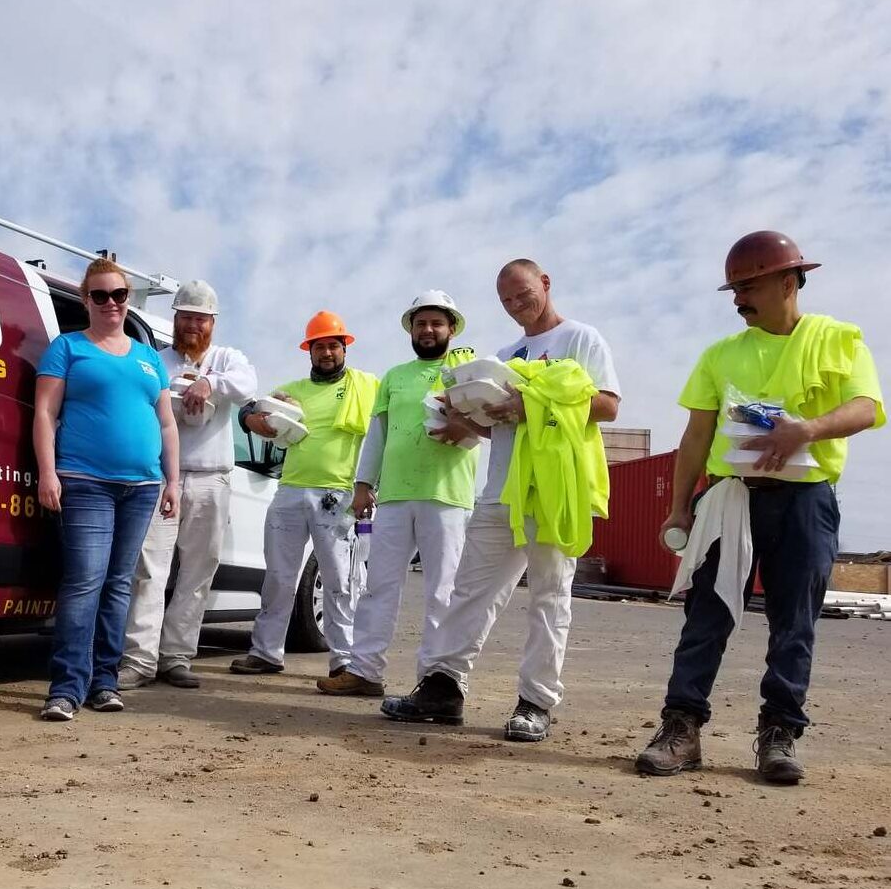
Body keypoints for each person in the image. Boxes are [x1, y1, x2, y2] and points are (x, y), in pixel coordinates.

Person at [636, 231, 883, 784]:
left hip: (806, 500)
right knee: (706, 616)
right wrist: (679, 509)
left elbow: (867, 407)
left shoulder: (838, 339)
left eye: (748, 286)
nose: (737, 298)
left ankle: (779, 735)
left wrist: (808, 431)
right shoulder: (721, 355)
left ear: (789, 280)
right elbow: (697, 434)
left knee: (794, 622)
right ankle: (681, 729)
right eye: (735, 288)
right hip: (729, 498)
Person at [382, 259, 621, 741]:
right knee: (471, 591)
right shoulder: (507, 353)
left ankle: (536, 702)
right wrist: (465, 415)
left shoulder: (581, 339)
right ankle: (443, 688)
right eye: (507, 300)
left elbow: (608, 405)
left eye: (524, 294)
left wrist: (529, 403)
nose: (517, 306)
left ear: (546, 284)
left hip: (553, 490)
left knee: (549, 596)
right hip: (502, 489)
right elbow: (499, 426)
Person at [33, 258, 179, 721]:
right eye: (100, 295)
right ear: (86, 299)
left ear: (128, 298)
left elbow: (168, 422)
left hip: (142, 487)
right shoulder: (68, 348)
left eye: (118, 294)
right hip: (85, 482)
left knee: (119, 586)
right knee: (83, 583)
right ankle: (66, 688)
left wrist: (173, 480)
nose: (111, 303)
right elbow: (43, 414)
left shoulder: (148, 356)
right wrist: (48, 472)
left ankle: (104, 682)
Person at [316, 291, 479, 697]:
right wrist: (362, 485)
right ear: (411, 329)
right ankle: (365, 671)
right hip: (394, 496)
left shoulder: (467, 370)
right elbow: (378, 435)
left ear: (451, 329)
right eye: (420, 323)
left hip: (446, 495)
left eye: (436, 323)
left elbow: (484, 424)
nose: (427, 330)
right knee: (378, 586)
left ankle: (437, 680)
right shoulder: (394, 376)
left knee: (443, 590)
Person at [119, 280, 257, 690]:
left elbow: (248, 385)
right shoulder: (155, 360)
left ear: (212, 322)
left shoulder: (228, 359)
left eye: (200, 318)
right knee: (149, 571)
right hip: (163, 478)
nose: (192, 325)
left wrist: (208, 383)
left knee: (198, 572)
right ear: (175, 319)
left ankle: (176, 656)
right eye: (186, 317)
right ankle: (138, 660)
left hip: (212, 477)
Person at [231, 312, 379, 676]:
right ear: (308, 351)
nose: (326, 352)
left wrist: (371, 485)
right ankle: (266, 652)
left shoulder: (368, 386)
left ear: (344, 348)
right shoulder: (293, 391)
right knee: (279, 576)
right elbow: (251, 409)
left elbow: (390, 423)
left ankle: (344, 661)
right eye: (319, 346)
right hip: (290, 492)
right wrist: (253, 416)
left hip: (338, 495)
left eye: (333, 345)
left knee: (339, 580)